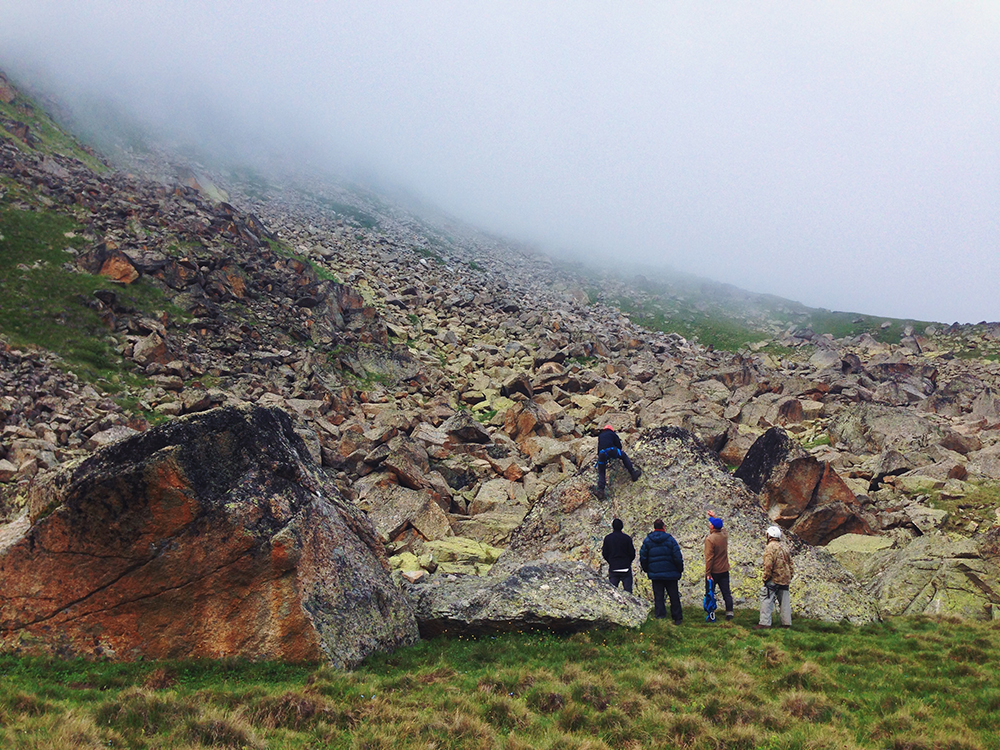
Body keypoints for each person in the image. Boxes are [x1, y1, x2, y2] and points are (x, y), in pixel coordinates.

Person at [639, 519, 684, 624]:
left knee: (658, 597)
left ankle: (660, 617)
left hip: (656, 573)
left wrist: (647, 569)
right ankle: (677, 618)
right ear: (663, 527)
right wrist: (679, 569)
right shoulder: (670, 539)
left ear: (654, 527)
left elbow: (643, 557)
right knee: (674, 596)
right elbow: (677, 556)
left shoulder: (648, 540)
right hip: (671, 573)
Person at [755, 525, 794, 629]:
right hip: (785, 578)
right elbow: (790, 564)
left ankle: (764, 623)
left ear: (769, 535)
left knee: (766, 598)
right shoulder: (784, 547)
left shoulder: (770, 547)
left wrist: (765, 578)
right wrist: (789, 576)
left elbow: (768, 564)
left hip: (774, 578)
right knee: (784, 602)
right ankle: (786, 623)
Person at [593, 425, 641, 500]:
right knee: (624, 456)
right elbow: (619, 446)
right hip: (611, 450)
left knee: (601, 471)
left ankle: (600, 491)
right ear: (611, 430)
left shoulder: (601, 436)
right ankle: (633, 474)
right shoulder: (613, 434)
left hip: (602, 454)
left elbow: (599, 448)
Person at [704, 512, 734, 621]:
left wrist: (708, 573)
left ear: (712, 527)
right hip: (724, 569)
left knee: (709, 592)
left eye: (711, 523)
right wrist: (714, 517)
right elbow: (722, 527)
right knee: (726, 592)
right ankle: (729, 612)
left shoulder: (710, 539)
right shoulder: (724, 535)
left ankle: (710, 613)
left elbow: (709, 558)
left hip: (714, 571)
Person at [602, 518, 636, 592]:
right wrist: (628, 561)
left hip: (614, 567)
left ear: (613, 527)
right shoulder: (627, 538)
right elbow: (632, 553)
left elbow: (605, 553)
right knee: (628, 592)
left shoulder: (608, 538)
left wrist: (611, 561)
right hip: (625, 567)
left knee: (613, 592)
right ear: (622, 526)